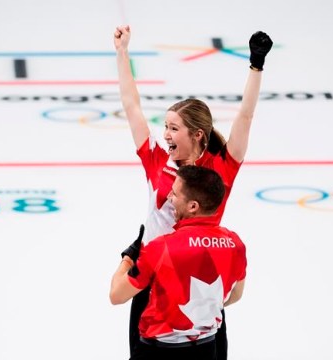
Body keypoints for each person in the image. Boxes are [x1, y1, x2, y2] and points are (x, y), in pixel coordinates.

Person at [113, 25, 272, 359]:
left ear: (198, 135)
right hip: (152, 278)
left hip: (201, 282)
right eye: (165, 127)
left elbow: (246, 114)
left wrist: (256, 65)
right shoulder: (157, 160)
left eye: (173, 128)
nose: (165, 134)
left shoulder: (222, 167)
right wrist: (122, 53)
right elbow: (131, 105)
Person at [110, 166, 247, 360]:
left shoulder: (161, 248)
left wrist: (129, 257)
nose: (169, 198)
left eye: (174, 194)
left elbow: (117, 295)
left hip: (157, 352)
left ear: (193, 206)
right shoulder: (236, 245)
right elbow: (236, 294)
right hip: (207, 349)